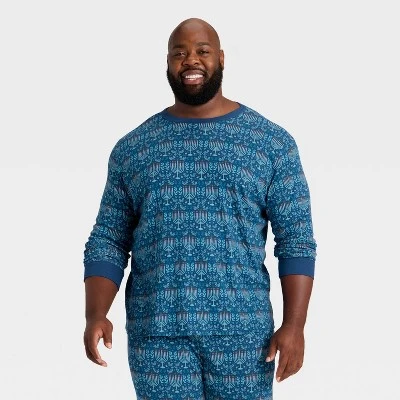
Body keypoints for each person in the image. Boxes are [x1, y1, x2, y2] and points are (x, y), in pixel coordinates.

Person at [83, 17, 317, 399]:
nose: (191, 60)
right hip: (157, 336)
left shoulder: (271, 143)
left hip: (244, 335)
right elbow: (108, 239)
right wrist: (95, 314)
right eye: (180, 53)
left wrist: (295, 326)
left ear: (221, 58)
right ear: (168, 64)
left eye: (202, 51)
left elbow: (296, 240)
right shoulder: (133, 149)